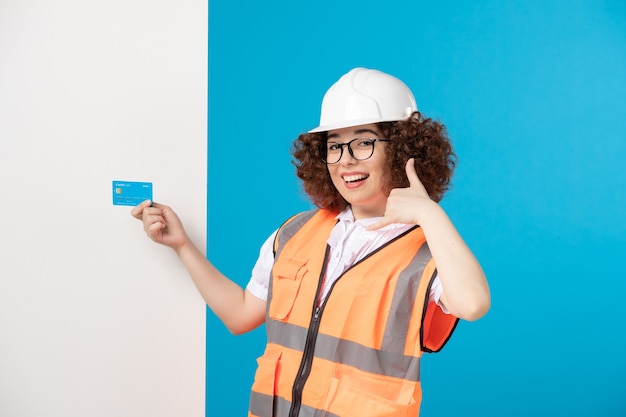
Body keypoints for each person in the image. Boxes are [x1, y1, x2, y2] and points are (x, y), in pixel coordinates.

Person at [132, 67, 490, 417]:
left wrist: (429, 214)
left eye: (364, 142)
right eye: (333, 146)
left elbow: (473, 304)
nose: (345, 160)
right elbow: (241, 315)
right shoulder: (294, 233)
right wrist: (182, 245)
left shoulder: (429, 250)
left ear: (401, 150)